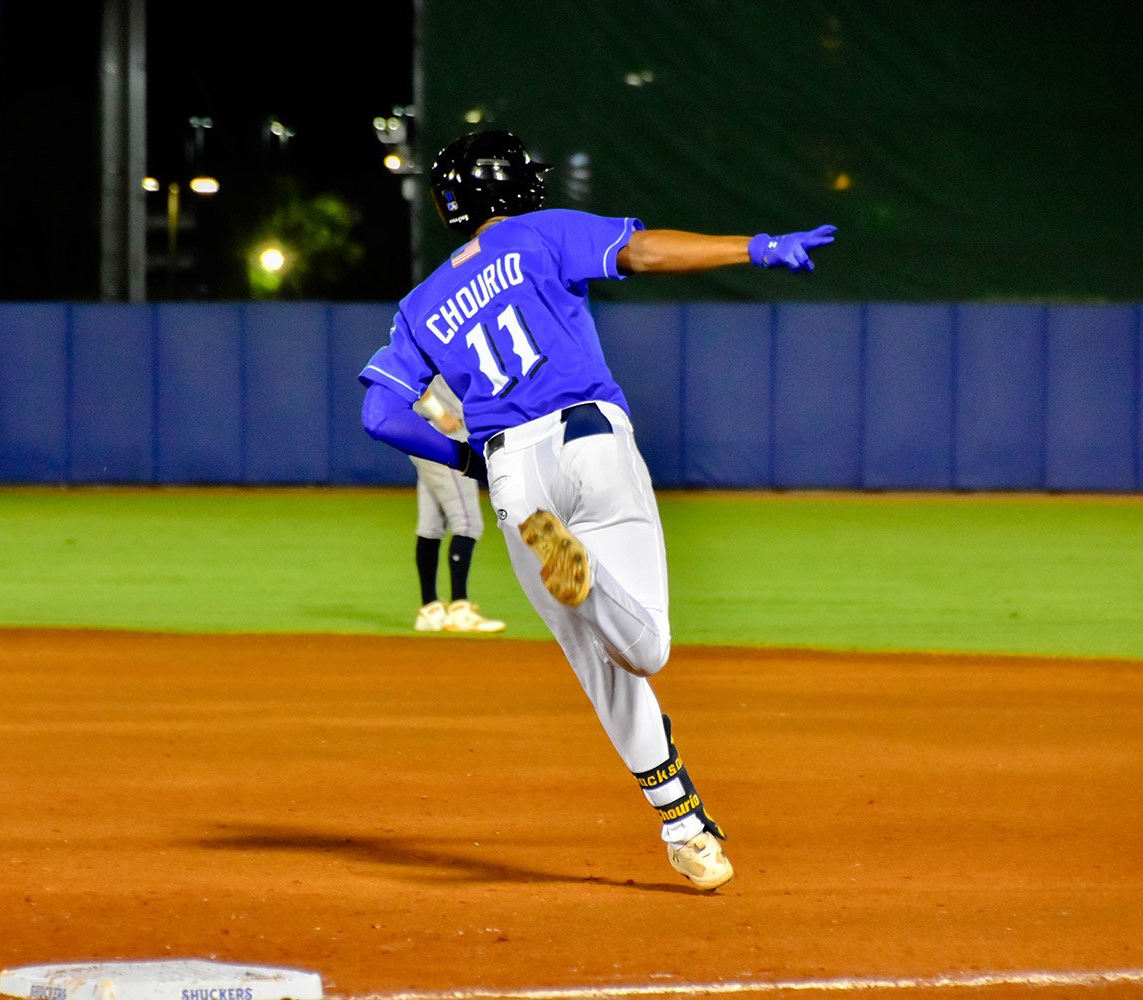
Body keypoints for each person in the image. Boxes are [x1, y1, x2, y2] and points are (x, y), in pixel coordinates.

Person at [358, 130, 836, 891]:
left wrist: (470, 460)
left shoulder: (419, 308)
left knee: (598, 663)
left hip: (514, 478)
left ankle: (686, 831)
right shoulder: (540, 232)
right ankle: (589, 585)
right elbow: (642, 252)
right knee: (643, 651)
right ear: (512, 188)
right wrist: (758, 245)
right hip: (590, 441)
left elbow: (381, 415)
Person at [409, 375, 506, 634]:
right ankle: (460, 609)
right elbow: (412, 377)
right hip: (444, 434)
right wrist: (440, 413)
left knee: (431, 525)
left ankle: (430, 609)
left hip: (426, 433)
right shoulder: (436, 337)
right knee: (468, 523)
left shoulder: (417, 336)